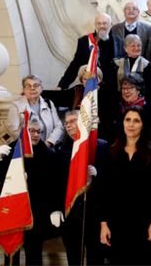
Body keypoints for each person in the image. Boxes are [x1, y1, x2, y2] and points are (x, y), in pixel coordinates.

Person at [0, 119, 60, 265]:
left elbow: (54, 186)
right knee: (11, 255)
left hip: (36, 214)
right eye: (31, 131)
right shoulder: (10, 150)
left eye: (39, 131)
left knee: (34, 255)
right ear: (23, 131)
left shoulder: (48, 154)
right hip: (11, 211)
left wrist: (55, 209)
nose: (36, 134)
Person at [98, 106, 151, 264]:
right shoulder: (111, 152)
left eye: (136, 121)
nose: (131, 124)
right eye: (128, 120)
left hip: (144, 221)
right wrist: (104, 223)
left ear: (143, 125)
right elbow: (104, 191)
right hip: (117, 221)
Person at [53, 110, 109, 266]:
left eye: (74, 120)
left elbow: (111, 180)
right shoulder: (61, 150)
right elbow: (56, 184)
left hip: (95, 213)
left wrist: (98, 172)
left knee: (96, 258)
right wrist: (56, 209)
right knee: (73, 258)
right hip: (71, 214)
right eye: (67, 123)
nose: (70, 125)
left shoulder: (102, 146)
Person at [58, 13, 117, 91]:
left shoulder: (117, 42)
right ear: (95, 25)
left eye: (104, 23)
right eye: (98, 23)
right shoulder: (84, 41)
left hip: (109, 89)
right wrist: (62, 85)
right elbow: (75, 65)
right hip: (88, 86)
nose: (101, 26)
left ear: (110, 25)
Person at [6, 74, 65, 146]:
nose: (32, 88)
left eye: (36, 85)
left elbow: (59, 127)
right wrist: (31, 145)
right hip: (27, 150)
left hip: (48, 150)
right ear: (23, 90)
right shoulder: (15, 107)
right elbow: (14, 131)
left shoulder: (48, 103)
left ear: (41, 88)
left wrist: (49, 142)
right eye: (28, 86)